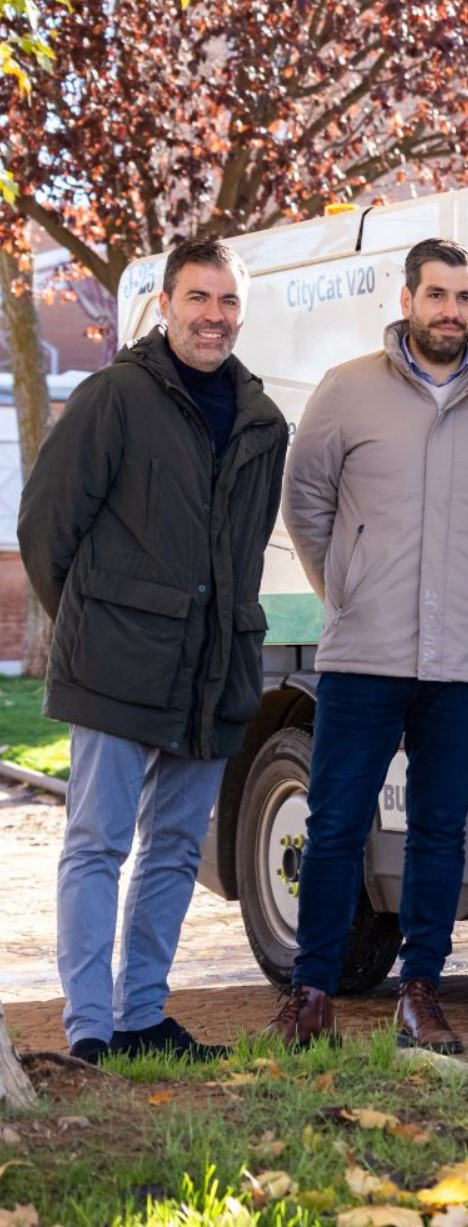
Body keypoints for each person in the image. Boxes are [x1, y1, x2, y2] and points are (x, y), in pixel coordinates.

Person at [269, 238, 468, 1053]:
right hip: (364, 652)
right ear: (406, 299)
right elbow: (306, 500)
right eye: (437, 295)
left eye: (464, 298)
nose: (450, 312)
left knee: (438, 829)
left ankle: (421, 991)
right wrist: (344, 588)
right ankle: (312, 991)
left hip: (463, 658)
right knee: (334, 825)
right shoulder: (347, 390)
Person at [17, 238, 288, 1064]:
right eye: (199, 298)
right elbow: (44, 528)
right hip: (118, 664)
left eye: (228, 302)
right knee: (98, 842)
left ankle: (141, 1016)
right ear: (165, 305)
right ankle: (91, 1027)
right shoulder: (114, 399)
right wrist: (95, 625)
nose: (214, 316)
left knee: (172, 847)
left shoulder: (263, 421)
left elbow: (242, 554)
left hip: (214, 670)